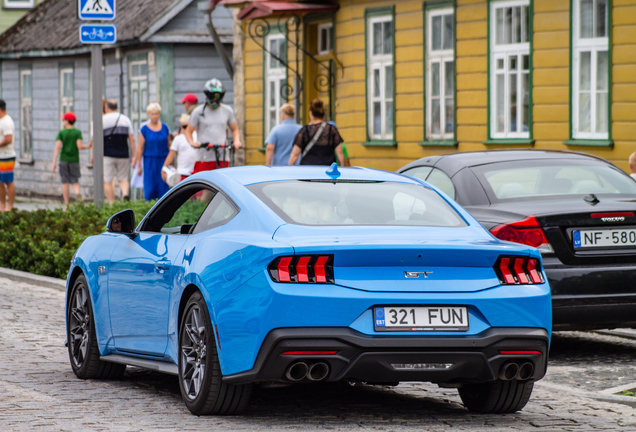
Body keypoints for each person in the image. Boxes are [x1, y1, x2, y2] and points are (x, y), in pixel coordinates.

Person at [185, 78, 242, 173]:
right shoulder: (198, 111)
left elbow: (234, 129)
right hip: (204, 156)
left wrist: (237, 141)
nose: (215, 98)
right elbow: (188, 131)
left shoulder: (227, 110)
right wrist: (192, 143)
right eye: (213, 95)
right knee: (203, 185)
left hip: (223, 156)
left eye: (218, 95)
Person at [93, 100, 136, 204]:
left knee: (107, 180)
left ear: (106, 108)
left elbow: (96, 139)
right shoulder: (125, 119)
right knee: (123, 178)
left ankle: (111, 203)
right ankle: (125, 194)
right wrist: (133, 155)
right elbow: (132, 139)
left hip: (108, 154)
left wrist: (93, 155)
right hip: (123, 154)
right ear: (117, 108)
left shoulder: (102, 120)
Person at [288, 99, 344, 166]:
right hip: (328, 169)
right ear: (323, 113)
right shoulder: (331, 129)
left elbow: (295, 154)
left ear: (311, 113)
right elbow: (340, 152)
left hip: (308, 169)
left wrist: (289, 168)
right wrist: (342, 166)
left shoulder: (305, 130)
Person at [52, 112, 92, 206]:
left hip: (64, 159)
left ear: (67, 121)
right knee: (75, 180)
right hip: (74, 160)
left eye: (64, 120)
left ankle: (66, 204)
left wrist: (54, 162)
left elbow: (57, 147)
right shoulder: (77, 132)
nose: (63, 121)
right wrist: (88, 146)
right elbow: (79, 146)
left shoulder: (62, 132)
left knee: (65, 181)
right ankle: (78, 194)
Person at [137, 102, 171, 200]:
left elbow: (169, 146)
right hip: (149, 161)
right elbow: (140, 148)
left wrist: (170, 163)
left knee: (163, 187)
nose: (155, 116)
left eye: (156, 114)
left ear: (159, 114)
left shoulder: (165, 127)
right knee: (150, 187)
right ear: (149, 115)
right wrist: (139, 165)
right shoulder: (144, 129)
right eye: (152, 114)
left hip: (163, 160)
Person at [163, 114, 198, 182]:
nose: (185, 129)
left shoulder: (197, 137)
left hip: (195, 173)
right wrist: (164, 168)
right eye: (184, 127)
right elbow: (171, 155)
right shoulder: (178, 139)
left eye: (187, 126)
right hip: (182, 173)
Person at [0, 99, 16, 212]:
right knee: (0, 181)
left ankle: (9, 206)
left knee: (8, 181)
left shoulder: (6, 121)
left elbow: (8, 139)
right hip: (1, 155)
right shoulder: (2, 120)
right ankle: (2, 205)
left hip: (7, 156)